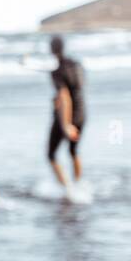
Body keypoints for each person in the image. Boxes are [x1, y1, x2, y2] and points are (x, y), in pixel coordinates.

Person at [46, 34, 86, 189]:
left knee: (51, 154)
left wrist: (66, 125)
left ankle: (67, 190)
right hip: (82, 113)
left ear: (51, 49)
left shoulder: (56, 71)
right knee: (73, 151)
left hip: (65, 117)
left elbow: (65, 96)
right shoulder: (77, 65)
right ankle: (78, 185)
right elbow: (75, 90)